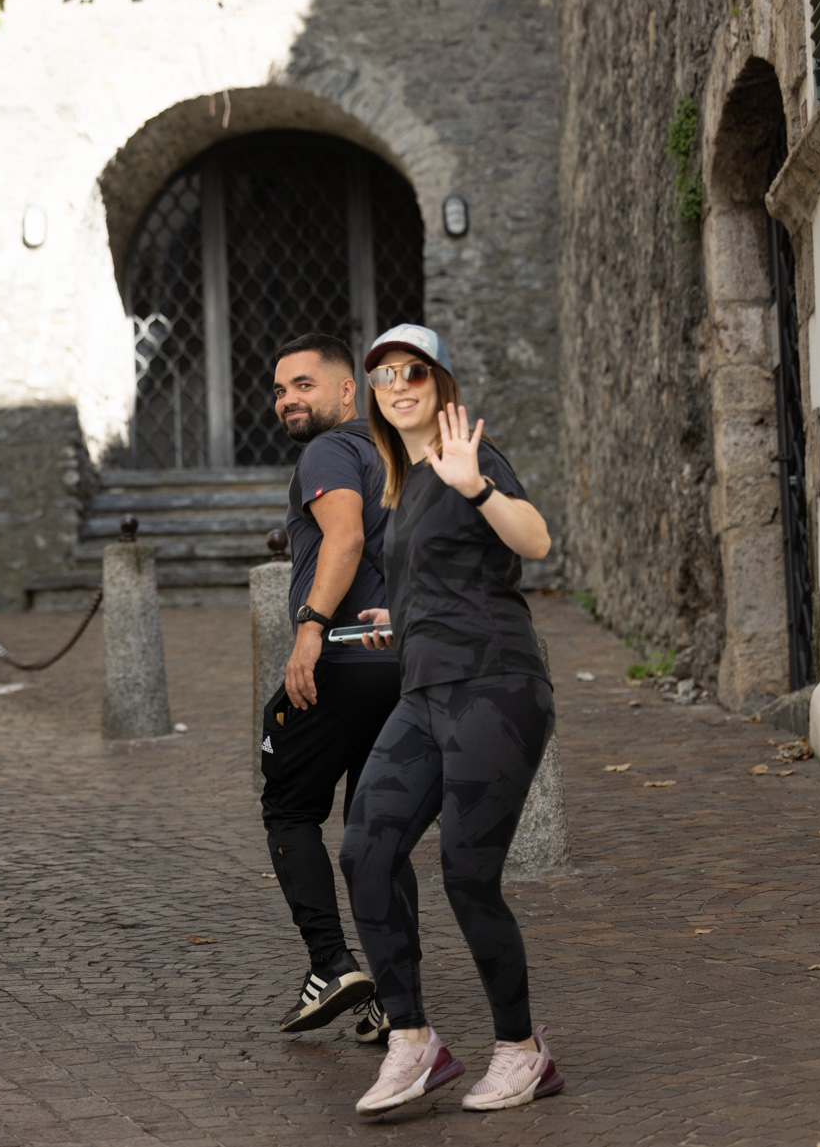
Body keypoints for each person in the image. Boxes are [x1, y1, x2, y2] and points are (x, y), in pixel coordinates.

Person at [336, 324, 562, 1115]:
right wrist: (396, 618)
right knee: (365, 851)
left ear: (441, 385)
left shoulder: (469, 455)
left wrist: (477, 488)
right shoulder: (399, 486)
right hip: (425, 692)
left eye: (415, 372)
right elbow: (443, 578)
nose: (399, 385)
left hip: (495, 687)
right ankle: (413, 1039)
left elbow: (535, 538)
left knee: (468, 875)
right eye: (384, 375)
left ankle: (523, 1050)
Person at [259, 334, 407, 1045]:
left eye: (304, 384)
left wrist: (311, 627)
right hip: (402, 661)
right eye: (280, 389)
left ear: (348, 391)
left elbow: (343, 539)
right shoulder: (394, 452)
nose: (288, 399)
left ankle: (331, 964)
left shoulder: (329, 451)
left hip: (344, 658)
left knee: (289, 807)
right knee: (376, 832)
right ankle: (398, 999)